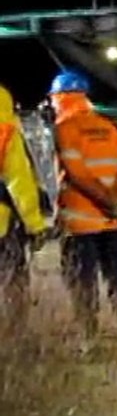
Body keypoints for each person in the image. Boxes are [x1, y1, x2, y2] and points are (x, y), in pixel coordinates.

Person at [48, 70, 117, 348]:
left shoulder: (65, 128)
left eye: (54, 97)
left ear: (62, 97)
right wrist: (116, 198)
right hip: (110, 222)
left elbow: (77, 173)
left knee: (81, 281)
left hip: (79, 224)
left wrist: (105, 200)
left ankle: (88, 336)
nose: (52, 103)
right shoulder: (107, 126)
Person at [0, 84, 48, 322]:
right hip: (1, 225)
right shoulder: (5, 132)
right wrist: (35, 225)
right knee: (12, 280)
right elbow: (20, 182)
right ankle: (14, 334)